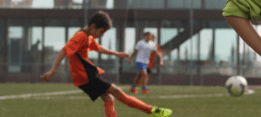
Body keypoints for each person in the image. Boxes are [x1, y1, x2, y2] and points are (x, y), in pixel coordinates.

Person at [40, 11, 172, 117]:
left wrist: (117, 54)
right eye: (102, 32)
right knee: (117, 91)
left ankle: (149, 111)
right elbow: (64, 50)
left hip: (84, 77)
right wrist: (53, 71)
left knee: (109, 98)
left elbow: (99, 48)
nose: (102, 35)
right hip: (85, 76)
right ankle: (151, 111)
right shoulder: (81, 36)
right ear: (93, 27)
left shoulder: (88, 36)